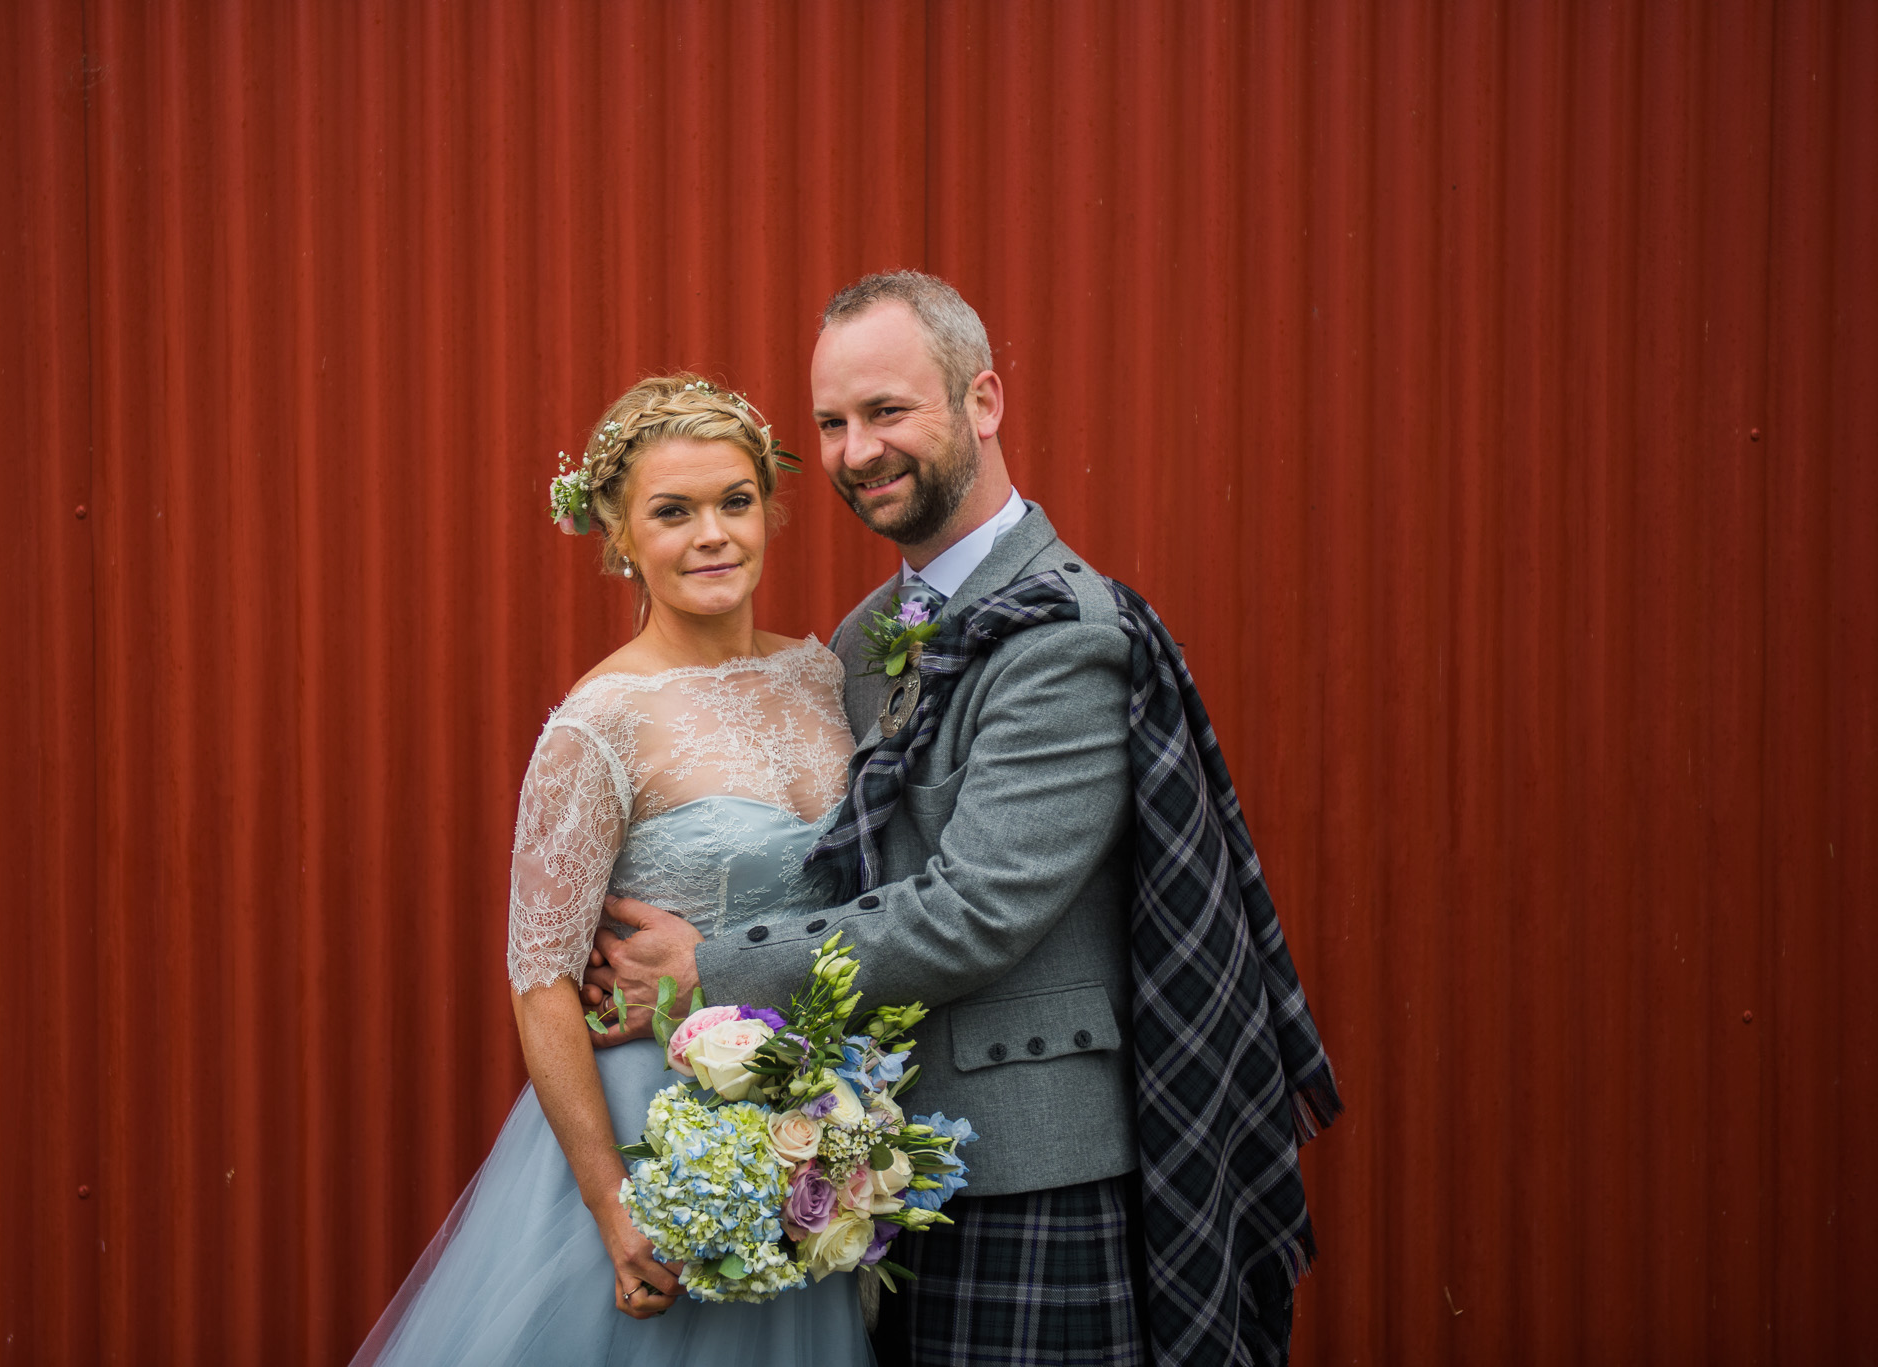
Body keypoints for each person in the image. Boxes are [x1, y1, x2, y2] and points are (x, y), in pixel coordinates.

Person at [590, 272, 1340, 1367]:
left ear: (980, 401)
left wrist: (712, 967)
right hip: (877, 1171)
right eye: (832, 425)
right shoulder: (856, 641)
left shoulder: (1066, 633)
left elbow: (977, 908)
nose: (857, 451)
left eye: (887, 412)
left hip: (1036, 1176)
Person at [351, 375, 874, 1366]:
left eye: (734, 500)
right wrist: (611, 1199)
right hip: (656, 1134)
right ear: (620, 533)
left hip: (805, 1127)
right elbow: (540, 979)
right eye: (671, 512)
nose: (712, 533)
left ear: (768, 507)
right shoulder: (600, 725)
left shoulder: (821, 675)